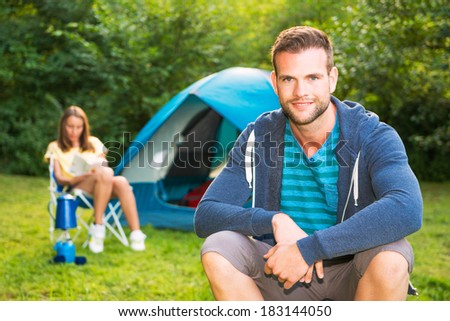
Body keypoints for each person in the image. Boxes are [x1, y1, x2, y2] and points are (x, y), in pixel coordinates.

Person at [194, 26, 422, 300]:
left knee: (391, 256)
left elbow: (407, 207)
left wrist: (309, 249)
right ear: (275, 83)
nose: (301, 91)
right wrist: (275, 220)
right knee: (219, 247)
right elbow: (206, 215)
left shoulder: (372, 135)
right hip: (281, 273)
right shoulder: (259, 136)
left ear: (332, 78)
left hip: (352, 272)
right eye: (289, 79)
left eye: (313, 77)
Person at [45, 106, 147, 253]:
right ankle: (97, 227)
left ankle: (136, 233)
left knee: (121, 181)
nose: (74, 131)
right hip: (77, 188)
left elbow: (105, 167)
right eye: (70, 126)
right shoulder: (55, 146)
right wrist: (79, 177)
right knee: (106, 173)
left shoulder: (93, 142)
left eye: (78, 127)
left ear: (84, 127)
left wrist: (96, 166)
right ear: (63, 126)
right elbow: (60, 178)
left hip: (101, 186)